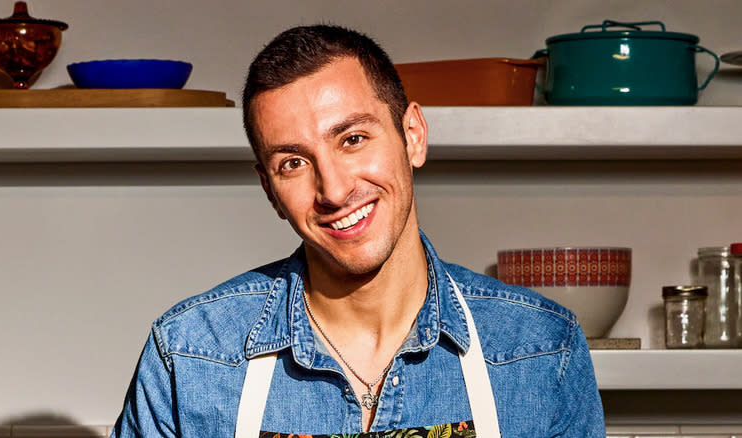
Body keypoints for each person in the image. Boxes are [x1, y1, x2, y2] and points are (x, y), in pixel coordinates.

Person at [111, 25, 605, 437]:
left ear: (413, 136)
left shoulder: (540, 350)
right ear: (268, 188)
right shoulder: (191, 355)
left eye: (352, 139)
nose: (333, 189)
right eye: (294, 162)